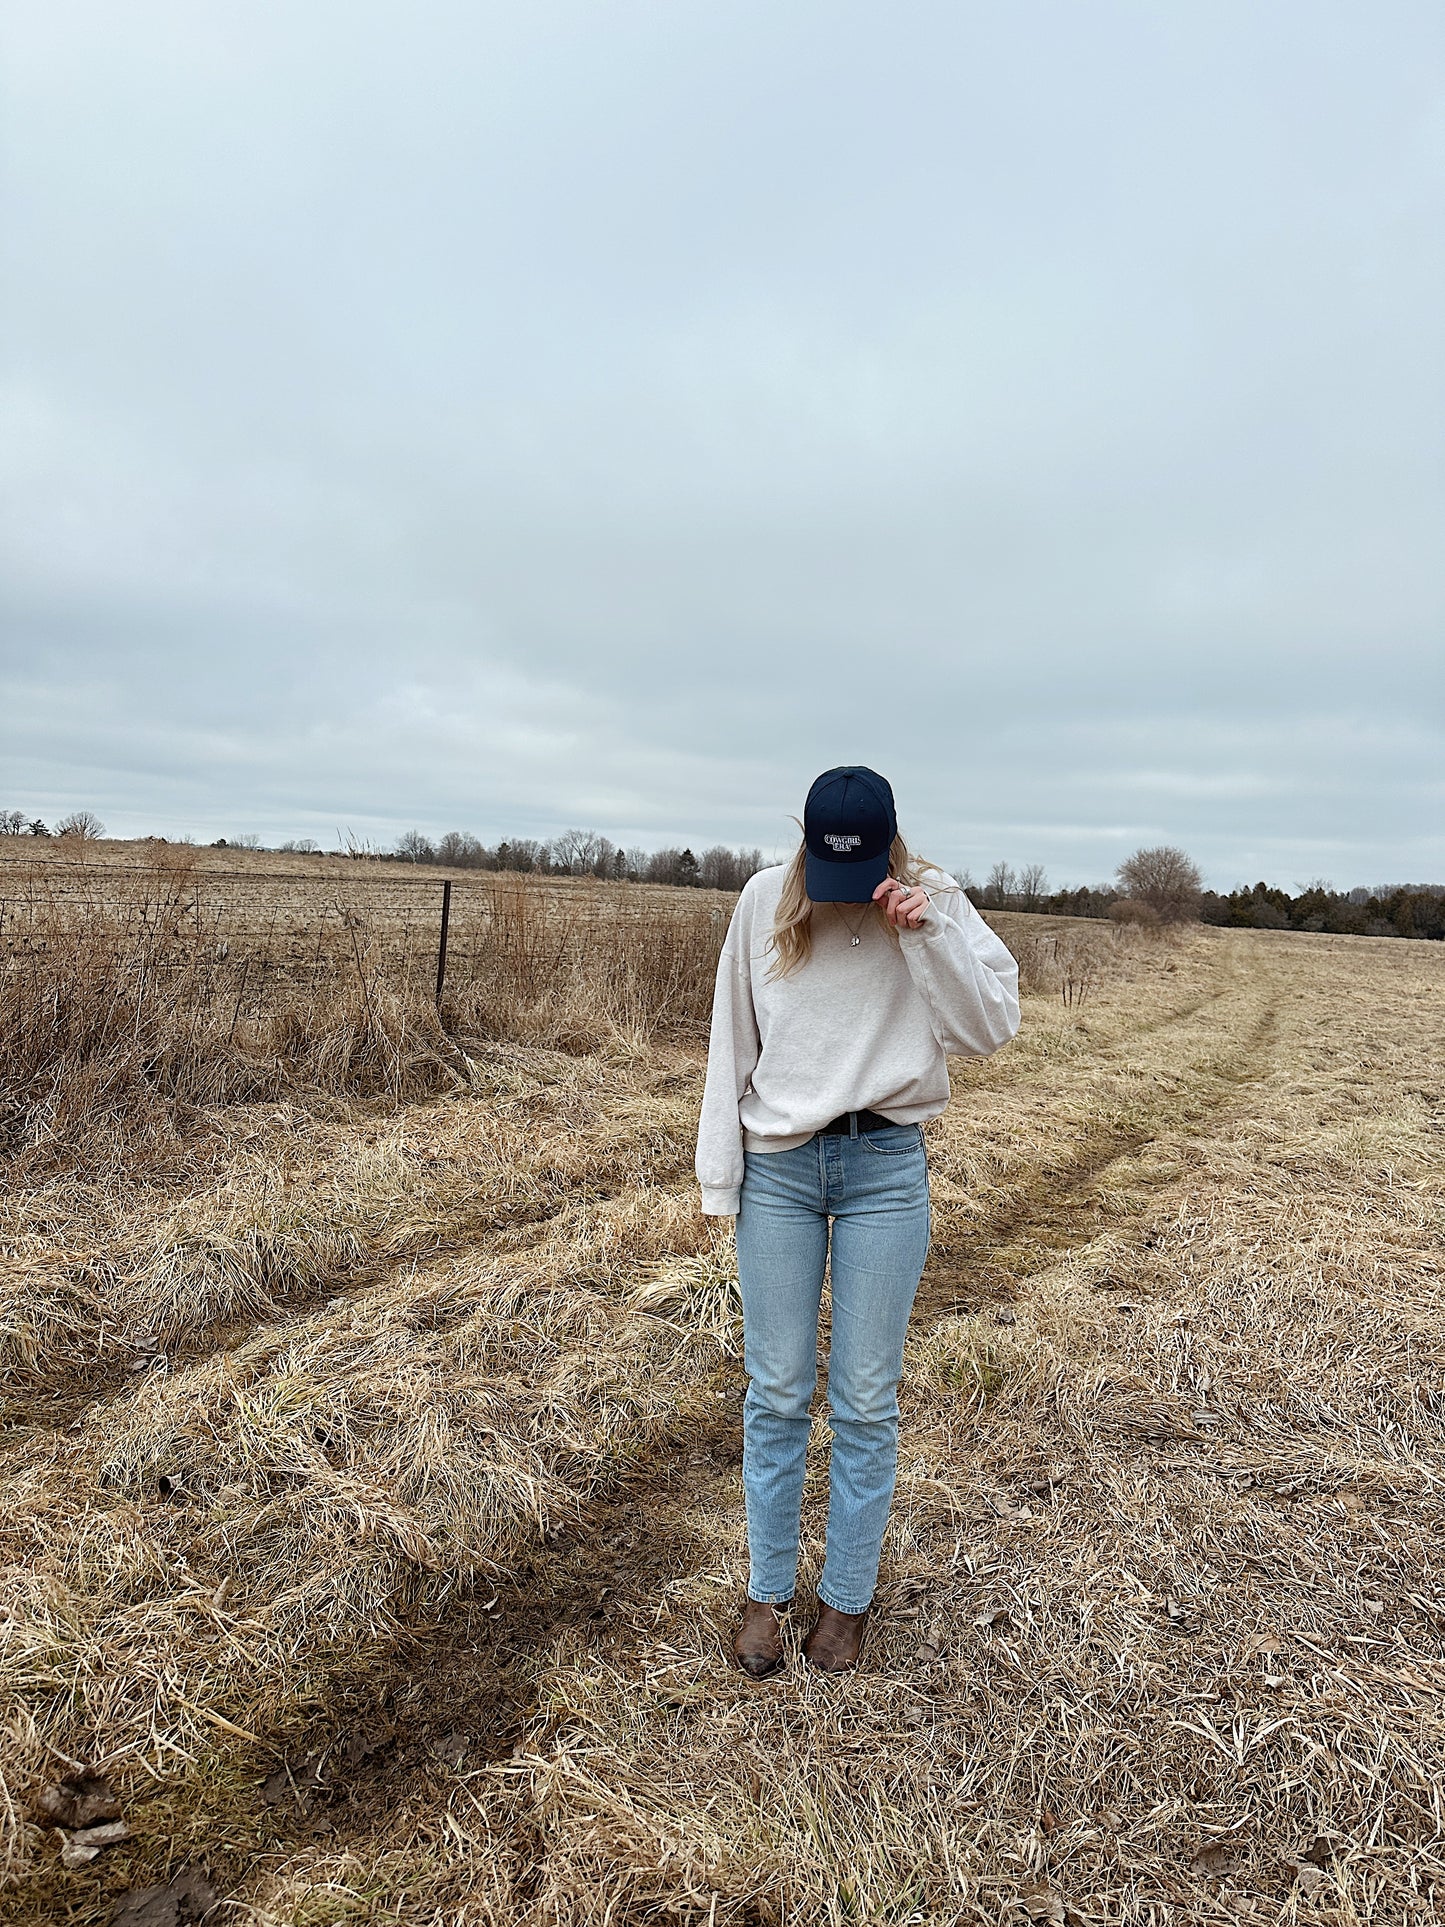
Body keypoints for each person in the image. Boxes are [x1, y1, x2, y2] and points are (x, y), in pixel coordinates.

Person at [695, 766, 1021, 1676]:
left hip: (885, 1167)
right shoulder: (764, 898)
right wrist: (721, 1179)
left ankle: (845, 1601)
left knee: (866, 1398)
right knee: (776, 1391)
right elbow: (732, 1040)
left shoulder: (937, 898)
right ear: (803, 843)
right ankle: (766, 1591)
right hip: (782, 1168)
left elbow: (990, 1026)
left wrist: (923, 938)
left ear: (886, 845)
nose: (841, 895)